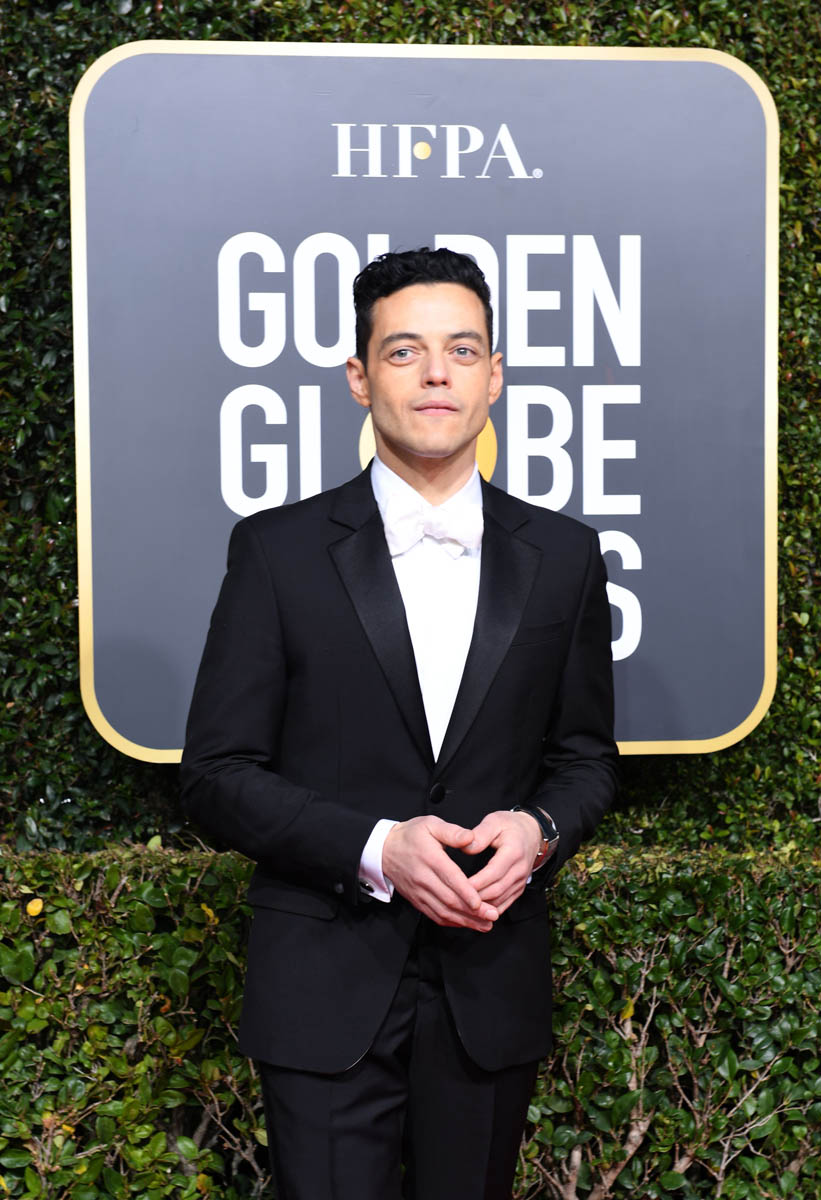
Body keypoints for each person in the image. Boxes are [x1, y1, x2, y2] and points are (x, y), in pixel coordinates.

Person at [181, 246, 618, 1200]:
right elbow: (216, 771)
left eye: (462, 351)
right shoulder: (277, 552)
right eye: (404, 351)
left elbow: (586, 758)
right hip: (324, 984)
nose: (435, 375)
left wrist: (539, 830)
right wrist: (378, 847)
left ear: (493, 376)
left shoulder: (566, 555)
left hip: (488, 981)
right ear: (359, 376)